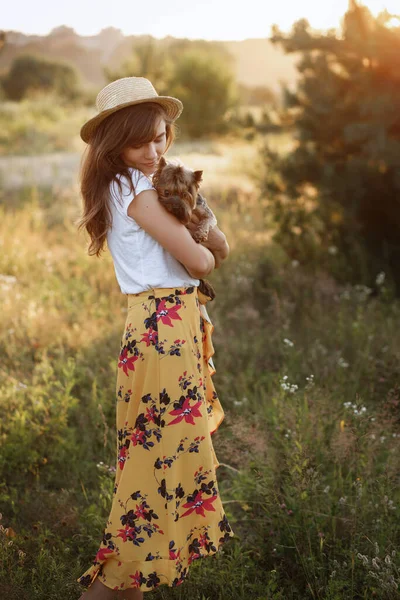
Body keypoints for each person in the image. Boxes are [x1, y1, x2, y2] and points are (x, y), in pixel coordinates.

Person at [76, 77, 235, 600]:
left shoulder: (159, 184)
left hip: (174, 326)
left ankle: (134, 584)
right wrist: (188, 223)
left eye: (161, 137)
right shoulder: (134, 190)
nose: (154, 151)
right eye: (140, 142)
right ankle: (110, 585)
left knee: (159, 470)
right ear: (114, 144)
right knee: (150, 472)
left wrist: (192, 204)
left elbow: (223, 246)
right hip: (160, 329)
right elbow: (202, 260)